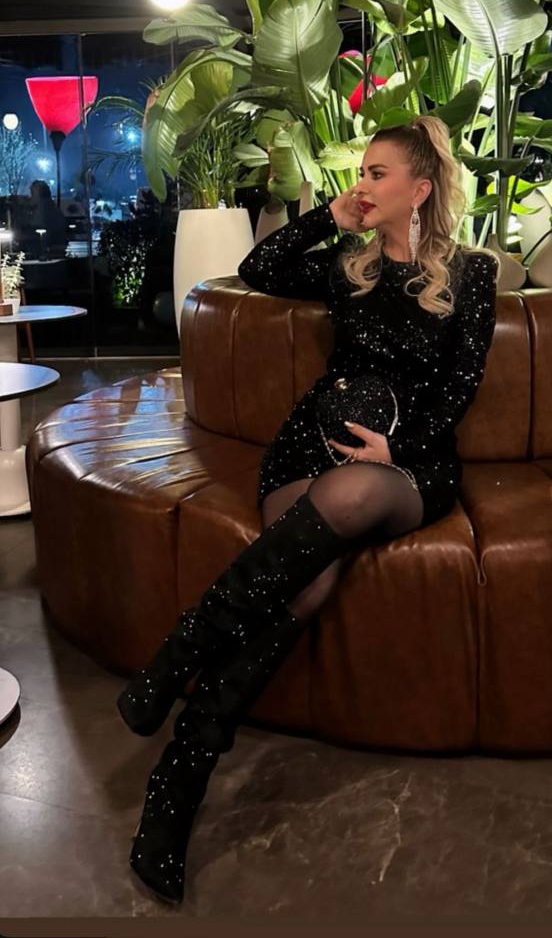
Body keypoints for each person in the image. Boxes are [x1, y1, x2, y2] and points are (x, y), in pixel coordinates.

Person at [116, 115, 499, 904]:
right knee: (308, 583)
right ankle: (177, 784)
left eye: (379, 172)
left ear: (421, 187)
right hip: (307, 449)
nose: (364, 183)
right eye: (362, 170)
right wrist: (330, 215)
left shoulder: (472, 273)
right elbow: (257, 267)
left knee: (354, 494)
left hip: (408, 463)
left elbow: (461, 385)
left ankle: (177, 656)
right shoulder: (347, 266)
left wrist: (398, 446)